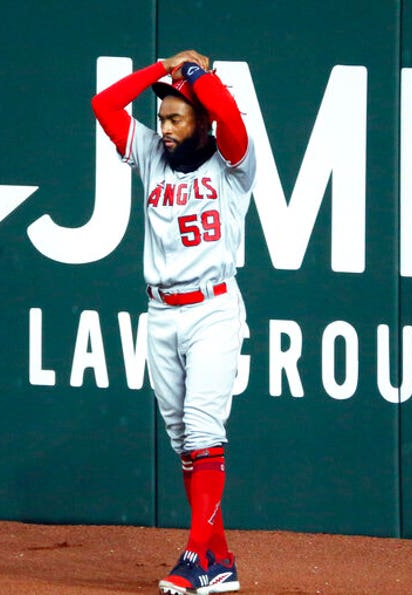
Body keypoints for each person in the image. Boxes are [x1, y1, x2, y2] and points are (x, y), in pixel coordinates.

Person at [91, 50, 254, 594]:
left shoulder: (232, 162)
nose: (163, 128)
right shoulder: (149, 154)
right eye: (160, 118)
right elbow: (104, 103)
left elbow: (229, 118)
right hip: (161, 312)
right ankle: (220, 559)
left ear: (200, 119)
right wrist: (161, 71)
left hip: (212, 309)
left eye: (175, 118)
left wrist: (194, 75)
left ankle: (194, 558)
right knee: (185, 441)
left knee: (205, 432)